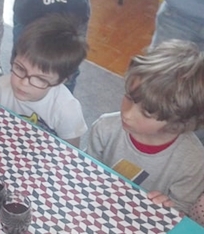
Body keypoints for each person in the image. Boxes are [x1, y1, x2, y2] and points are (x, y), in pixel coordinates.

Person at [86, 40, 204, 214]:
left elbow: (182, 207)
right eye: (129, 97)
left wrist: (168, 207)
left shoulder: (192, 160)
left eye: (147, 112)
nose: (127, 114)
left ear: (176, 122)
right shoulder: (105, 127)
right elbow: (86, 168)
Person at [0, 13, 87, 147]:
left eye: (40, 79)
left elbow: (71, 152)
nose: (24, 83)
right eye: (20, 68)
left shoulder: (67, 111)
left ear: (60, 81)